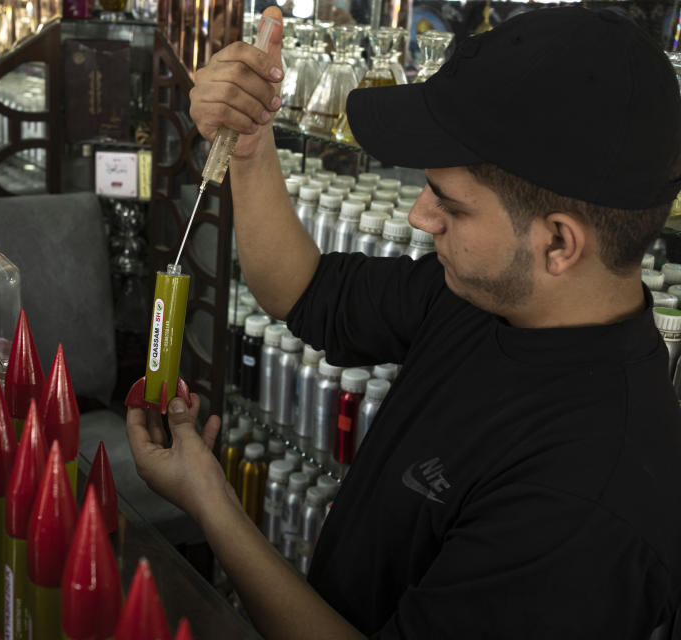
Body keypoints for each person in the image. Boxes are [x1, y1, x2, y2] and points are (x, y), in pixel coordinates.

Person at [125, 5, 681, 639]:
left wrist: (210, 500)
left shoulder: (590, 501)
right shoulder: (484, 299)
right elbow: (303, 291)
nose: (421, 217)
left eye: (449, 203)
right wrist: (250, 146)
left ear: (559, 244)